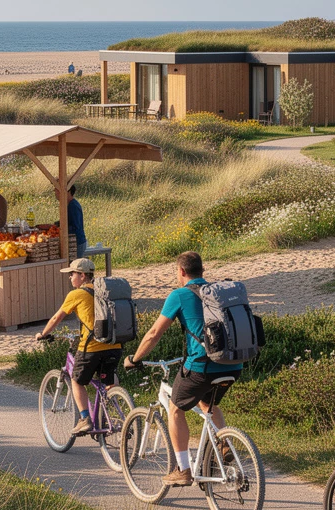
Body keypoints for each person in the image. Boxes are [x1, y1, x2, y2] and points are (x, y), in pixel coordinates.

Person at [124, 251, 241, 487]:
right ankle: (224, 444)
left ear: (181, 271)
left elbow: (154, 334)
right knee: (209, 404)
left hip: (201, 366)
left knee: (175, 409)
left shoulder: (179, 295)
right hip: (233, 364)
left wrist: (135, 358)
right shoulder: (216, 292)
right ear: (203, 270)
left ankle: (183, 469)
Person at [35, 257, 120, 435]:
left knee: (76, 380)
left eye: (72, 274)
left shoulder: (76, 294)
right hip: (115, 345)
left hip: (92, 348)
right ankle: (118, 410)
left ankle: (84, 419)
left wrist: (43, 334)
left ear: (82, 275)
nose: (70, 277)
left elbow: (56, 318)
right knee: (108, 380)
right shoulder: (105, 291)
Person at [67, 185, 87, 258]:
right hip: (75, 242)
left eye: (57, 191)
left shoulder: (73, 205)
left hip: (78, 242)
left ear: (68, 192)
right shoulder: (70, 205)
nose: (56, 193)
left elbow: (76, 226)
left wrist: (60, 229)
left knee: (76, 266)